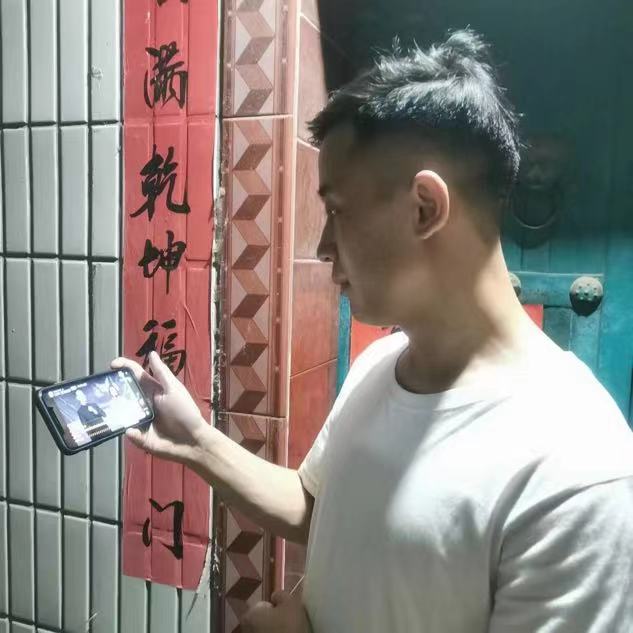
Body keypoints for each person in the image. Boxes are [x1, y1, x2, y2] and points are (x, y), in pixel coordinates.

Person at [113, 29, 633, 633]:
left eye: (337, 210)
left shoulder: (578, 469)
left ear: (425, 208)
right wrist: (196, 442)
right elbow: (316, 510)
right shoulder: (379, 366)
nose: (322, 245)